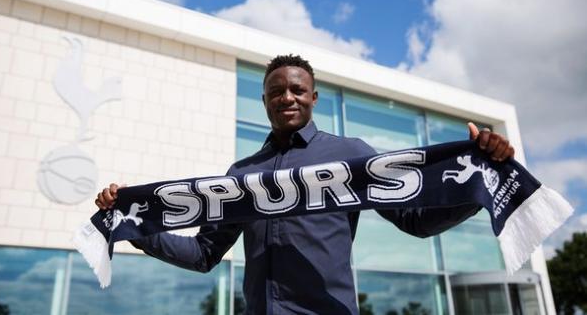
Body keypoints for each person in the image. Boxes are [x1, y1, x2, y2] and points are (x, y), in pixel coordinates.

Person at [95, 54, 515, 314]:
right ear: (264, 101)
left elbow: (414, 220)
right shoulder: (241, 175)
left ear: (314, 98)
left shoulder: (351, 154)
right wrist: (134, 228)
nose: (287, 97)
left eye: (298, 89)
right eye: (276, 91)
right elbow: (204, 253)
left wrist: (476, 185)